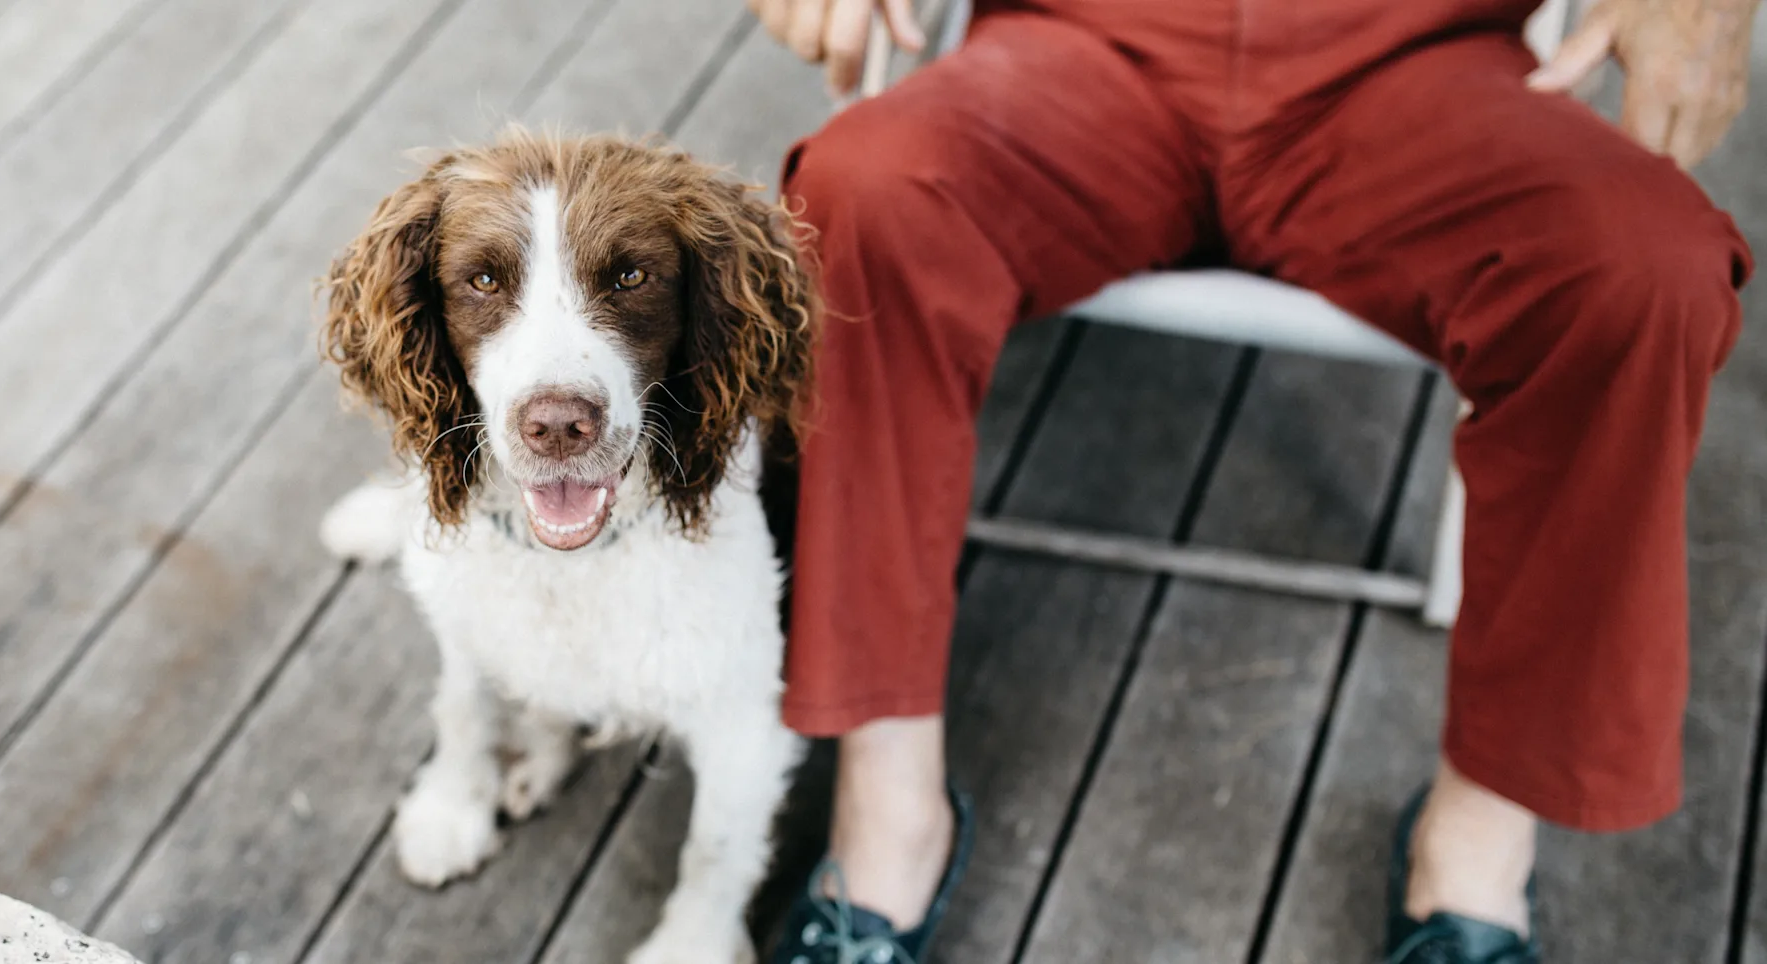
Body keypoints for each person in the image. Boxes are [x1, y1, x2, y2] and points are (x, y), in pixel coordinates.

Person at [752, 0, 1757, 960]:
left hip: (1412, 62)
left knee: (1640, 269)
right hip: (1082, 49)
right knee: (864, 197)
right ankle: (887, 826)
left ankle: (1477, 857)